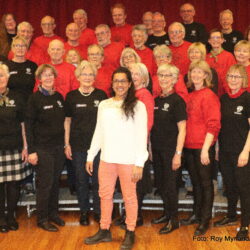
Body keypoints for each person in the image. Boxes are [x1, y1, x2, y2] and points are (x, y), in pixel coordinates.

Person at [84, 67, 148, 249]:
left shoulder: (138, 106)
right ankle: (104, 230)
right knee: (104, 195)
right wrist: (90, 155)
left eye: (123, 81)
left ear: (129, 84)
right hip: (107, 159)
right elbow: (99, 131)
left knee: (130, 197)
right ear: (112, 84)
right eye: (116, 81)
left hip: (129, 161)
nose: (119, 84)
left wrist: (139, 163)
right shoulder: (104, 105)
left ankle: (130, 231)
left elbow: (142, 135)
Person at [65, 61, 107, 226]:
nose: (88, 77)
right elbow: (67, 121)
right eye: (84, 74)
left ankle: (98, 211)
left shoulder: (101, 96)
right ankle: (83, 211)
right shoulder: (71, 96)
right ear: (78, 77)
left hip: (98, 146)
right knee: (81, 180)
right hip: (78, 145)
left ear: (94, 77)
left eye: (90, 74)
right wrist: (66, 143)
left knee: (98, 180)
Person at [181, 60, 221, 236]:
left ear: (206, 75)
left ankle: (205, 221)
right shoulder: (190, 95)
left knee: (205, 185)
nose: (195, 75)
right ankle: (196, 214)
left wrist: (205, 149)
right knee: (196, 184)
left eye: (199, 72)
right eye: (193, 72)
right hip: (189, 146)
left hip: (202, 148)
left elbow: (214, 125)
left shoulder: (209, 95)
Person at [25, 64, 65, 232]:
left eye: (51, 75)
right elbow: (28, 126)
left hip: (58, 147)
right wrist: (32, 151)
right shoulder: (34, 99)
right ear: (39, 79)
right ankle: (42, 218)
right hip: (42, 148)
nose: (48, 78)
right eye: (45, 75)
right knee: (45, 184)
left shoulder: (59, 97)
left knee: (55, 182)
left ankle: (53, 213)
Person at [115, 63, 154, 228]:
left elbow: (148, 122)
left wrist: (137, 143)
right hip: (125, 145)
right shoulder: (128, 94)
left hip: (136, 146)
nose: (133, 76)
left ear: (144, 77)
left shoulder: (144, 95)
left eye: (137, 74)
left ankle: (136, 217)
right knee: (128, 182)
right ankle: (128, 214)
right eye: (131, 73)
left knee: (136, 183)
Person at [214, 64, 250, 240]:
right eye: (230, 76)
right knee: (230, 186)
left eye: (237, 77)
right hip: (225, 151)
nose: (233, 80)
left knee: (244, 188)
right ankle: (230, 216)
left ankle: (245, 225)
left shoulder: (247, 98)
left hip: (242, 152)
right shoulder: (223, 99)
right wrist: (218, 148)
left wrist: (245, 152)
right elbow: (221, 128)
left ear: (243, 80)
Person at [151, 63, 187, 234]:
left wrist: (178, 154)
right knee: (162, 185)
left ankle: (174, 220)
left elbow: (183, 129)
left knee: (171, 186)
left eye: (167, 76)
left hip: (171, 151)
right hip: (157, 150)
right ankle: (166, 213)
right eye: (161, 75)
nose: (164, 79)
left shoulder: (177, 101)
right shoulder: (156, 100)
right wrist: (150, 148)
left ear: (174, 79)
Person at [0, 64, 29, 233]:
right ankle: (1, 218)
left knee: (13, 185)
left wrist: (25, 146)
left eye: (2, 76)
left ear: (7, 78)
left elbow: (23, 124)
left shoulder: (17, 97)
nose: (0, 79)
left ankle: (11, 216)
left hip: (14, 146)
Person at [4, 36, 37, 102]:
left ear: (26, 48)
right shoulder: (5, 66)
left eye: (23, 46)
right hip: (10, 103)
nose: (20, 48)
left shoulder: (33, 66)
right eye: (17, 45)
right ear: (12, 48)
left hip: (28, 103)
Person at [206, 29, 236, 97]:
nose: (215, 40)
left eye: (218, 37)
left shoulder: (229, 56)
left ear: (222, 40)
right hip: (210, 93)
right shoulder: (205, 58)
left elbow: (233, 75)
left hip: (226, 93)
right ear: (209, 41)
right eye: (213, 38)